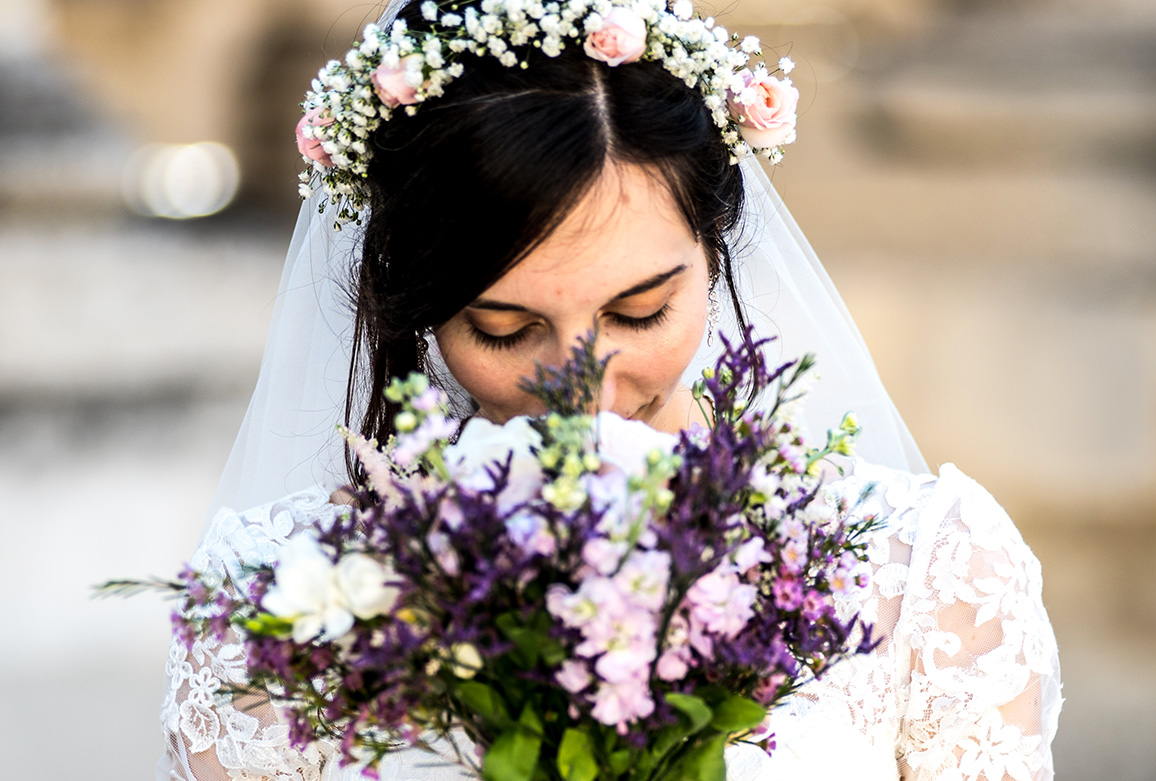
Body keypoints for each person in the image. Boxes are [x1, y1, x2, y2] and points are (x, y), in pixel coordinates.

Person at [157, 0, 1062, 779]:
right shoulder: (278, 603)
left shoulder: (928, 577)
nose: (582, 390)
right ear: (418, 303)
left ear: (714, 249)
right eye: (505, 330)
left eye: (640, 312)